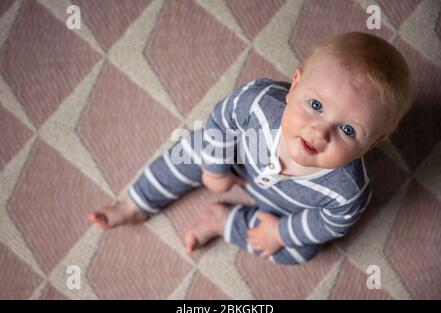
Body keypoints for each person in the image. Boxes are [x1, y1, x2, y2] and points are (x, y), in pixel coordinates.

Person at [87, 32, 412, 265]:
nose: (319, 131)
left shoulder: (347, 191)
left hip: (286, 209)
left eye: (347, 129)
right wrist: (216, 168)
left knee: (301, 251)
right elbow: (221, 122)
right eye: (315, 104)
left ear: (374, 142)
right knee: (191, 148)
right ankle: (136, 203)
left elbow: (331, 223)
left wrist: (282, 232)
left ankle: (224, 222)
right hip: (240, 158)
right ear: (294, 85)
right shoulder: (259, 102)